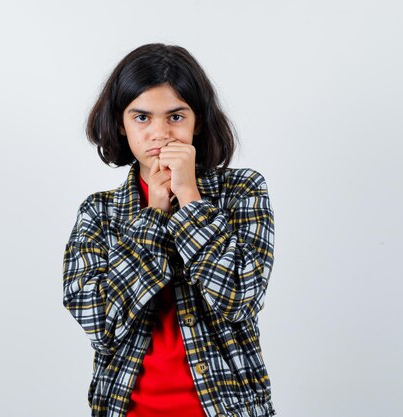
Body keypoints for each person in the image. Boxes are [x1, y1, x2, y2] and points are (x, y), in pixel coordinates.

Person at [62, 43, 276, 417]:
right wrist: (154, 215)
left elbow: (241, 297)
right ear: (120, 124)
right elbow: (98, 322)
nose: (159, 133)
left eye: (175, 117)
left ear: (198, 122)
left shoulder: (243, 190)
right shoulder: (99, 212)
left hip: (227, 408)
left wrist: (190, 199)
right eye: (142, 118)